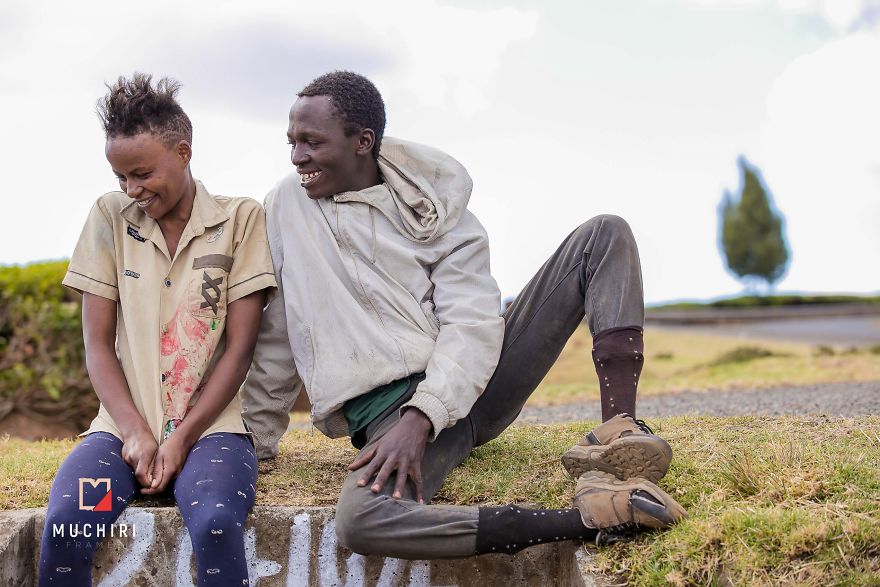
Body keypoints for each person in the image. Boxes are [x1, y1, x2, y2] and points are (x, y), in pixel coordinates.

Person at [241, 70, 685, 559]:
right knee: (363, 521)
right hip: (386, 412)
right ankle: (595, 514)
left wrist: (422, 417)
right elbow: (279, 331)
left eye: (311, 142)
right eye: (292, 142)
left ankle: (618, 431)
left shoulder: (435, 205)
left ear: (362, 142)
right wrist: (254, 441)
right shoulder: (286, 206)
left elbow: (471, 323)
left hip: (469, 388)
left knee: (603, 234)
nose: (297, 156)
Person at [39, 73, 276, 585]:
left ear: (184, 152)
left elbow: (239, 348)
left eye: (142, 173)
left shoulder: (240, 220)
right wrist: (135, 433)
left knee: (214, 524)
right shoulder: (109, 217)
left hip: (213, 434)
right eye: (121, 176)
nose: (132, 189)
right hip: (118, 436)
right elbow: (97, 346)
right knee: (67, 526)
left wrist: (181, 437)